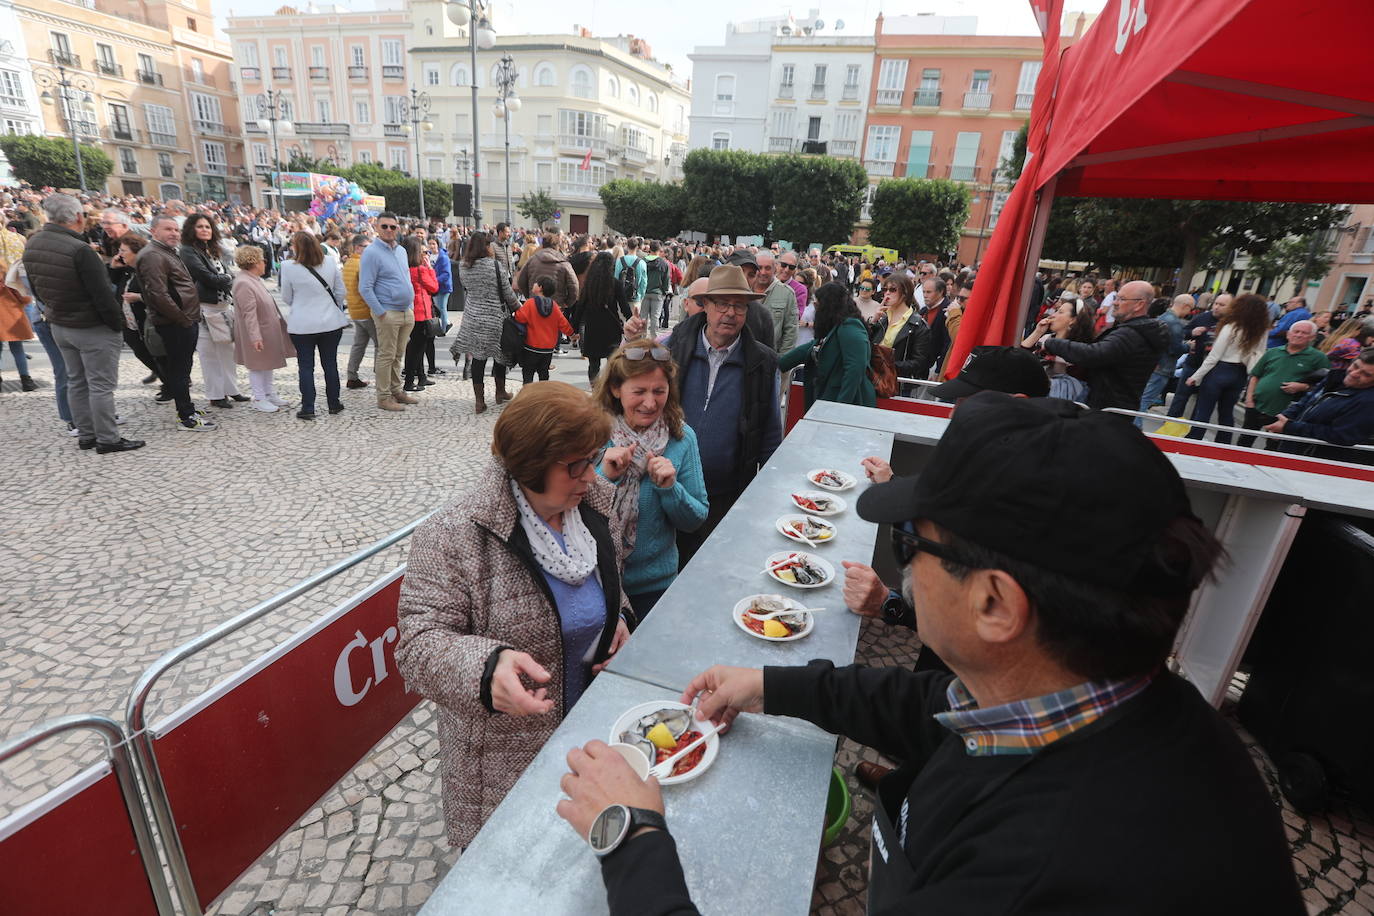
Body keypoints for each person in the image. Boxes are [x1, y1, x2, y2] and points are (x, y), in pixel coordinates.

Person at [556, 394, 1304, 915]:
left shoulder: (1046, 873)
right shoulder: (1098, 697)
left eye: (915, 542)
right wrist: (768, 684)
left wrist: (631, 833)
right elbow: (928, 704)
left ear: (996, 605)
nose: (902, 562)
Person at [395, 381, 632, 850]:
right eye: (576, 465)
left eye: (592, 458)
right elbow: (417, 645)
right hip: (506, 758)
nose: (590, 475)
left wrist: (619, 619)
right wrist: (486, 668)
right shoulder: (453, 535)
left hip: (592, 730)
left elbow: (611, 584)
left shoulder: (593, 507)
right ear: (530, 464)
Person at [664, 265, 782, 565]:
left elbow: (770, 434)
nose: (730, 313)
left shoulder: (763, 362)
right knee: (668, 567)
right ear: (705, 306)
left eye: (739, 306)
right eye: (722, 304)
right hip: (670, 488)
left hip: (725, 494)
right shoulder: (673, 348)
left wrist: (767, 494)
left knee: (710, 567)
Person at [592, 340, 708, 620]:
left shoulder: (681, 438)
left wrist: (670, 489)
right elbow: (566, 513)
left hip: (655, 588)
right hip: (594, 583)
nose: (650, 402)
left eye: (659, 391)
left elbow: (695, 519)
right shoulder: (593, 434)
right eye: (639, 391)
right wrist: (604, 478)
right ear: (616, 389)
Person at [22, 194, 143, 453]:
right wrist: (116, 324)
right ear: (78, 217)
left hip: (60, 323)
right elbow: (102, 294)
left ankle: (86, 435)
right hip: (90, 326)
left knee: (77, 381)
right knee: (100, 386)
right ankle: (108, 438)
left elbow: (36, 288)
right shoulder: (79, 249)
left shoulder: (34, 243)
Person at [1039, 279, 1168, 411]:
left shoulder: (1131, 334)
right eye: (1116, 298)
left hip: (1108, 410)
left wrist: (1051, 343)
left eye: (1121, 299)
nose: (1114, 303)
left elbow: (1094, 354)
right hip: (1111, 407)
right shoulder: (1134, 331)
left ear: (1139, 305)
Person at [137, 216, 216, 431]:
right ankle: (186, 416)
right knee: (179, 370)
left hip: (182, 319)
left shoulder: (166, 252)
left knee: (182, 369)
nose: (174, 233)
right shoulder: (153, 255)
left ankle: (187, 407)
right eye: (167, 229)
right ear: (153, 231)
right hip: (175, 322)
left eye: (176, 229)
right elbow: (158, 294)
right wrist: (182, 318)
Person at [279, 230, 348, 420]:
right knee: (330, 364)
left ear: (296, 247)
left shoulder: (287, 266)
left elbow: (286, 297)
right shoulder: (330, 263)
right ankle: (334, 403)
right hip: (330, 322)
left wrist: (301, 304)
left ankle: (308, 407)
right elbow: (340, 292)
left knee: (306, 367)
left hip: (302, 324)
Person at [178, 213, 245, 409]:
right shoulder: (188, 251)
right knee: (209, 354)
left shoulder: (212, 249)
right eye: (200, 226)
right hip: (204, 309)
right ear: (191, 229)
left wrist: (225, 279)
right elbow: (206, 277)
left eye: (207, 226)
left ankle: (232, 389)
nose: (204, 230)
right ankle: (216, 395)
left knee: (227, 351)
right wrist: (226, 279)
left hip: (223, 306)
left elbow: (226, 274)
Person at [1185, 292, 1270, 443]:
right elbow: (1260, 354)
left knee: (1203, 411)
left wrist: (1196, 376)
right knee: (1226, 413)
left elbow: (1214, 356)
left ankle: (1193, 441)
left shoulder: (1230, 327)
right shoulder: (1261, 332)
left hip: (1219, 371)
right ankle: (1223, 445)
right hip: (1240, 374)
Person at [1264, 347, 1374, 462]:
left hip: (1314, 462)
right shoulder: (1334, 377)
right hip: (1292, 449)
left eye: (1366, 374)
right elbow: (1306, 401)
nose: (1354, 373)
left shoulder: (1368, 402)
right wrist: (1282, 419)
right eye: (1355, 366)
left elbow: (1342, 436)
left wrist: (1289, 427)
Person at [777, 282, 875, 410]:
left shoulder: (850, 326)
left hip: (849, 403)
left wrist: (841, 406)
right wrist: (776, 363)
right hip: (831, 399)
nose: (815, 307)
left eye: (817, 304)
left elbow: (855, 368)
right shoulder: (835, 326)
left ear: (829, 305)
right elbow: (810, 347)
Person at [451, 231, 520, 413]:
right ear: (486, 247)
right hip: (495, 318)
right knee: (500, 356)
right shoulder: (495, 266)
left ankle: (479, 401)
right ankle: (500, 392)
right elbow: (508, 295)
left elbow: (467, 288)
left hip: (472, 318)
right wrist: (521, 310)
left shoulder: (463, 266)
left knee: (478, 358)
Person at [1237, 320, 1328, 448]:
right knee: (1244, 441)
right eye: (1296, 331)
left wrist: (1303, 387)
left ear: (1312, 337)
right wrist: (1249, 401)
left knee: (1274, 446)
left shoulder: (1319, 358)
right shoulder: (1272, 352)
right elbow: (1255, 376)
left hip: (1285, 412)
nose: (1299, 335)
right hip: (1257, 405)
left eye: (1304, 333)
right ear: (1288, 334)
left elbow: (1324, 386)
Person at [359, 212, 416, 413]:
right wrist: (380, 312)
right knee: (386, 355)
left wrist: (410, 306)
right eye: (385, 226)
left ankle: (396, 390)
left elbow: (406, 278)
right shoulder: (372, 253)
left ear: (398, 228)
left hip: (405, 311)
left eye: (393, 227)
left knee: (398, 355)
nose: (389, 230)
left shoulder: (401, 251)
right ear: (376, 227)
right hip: (388, 312)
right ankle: (383, 397)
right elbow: (365, 287)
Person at [230, 244, 293, 413]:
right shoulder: (244, 282)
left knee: (267, 363)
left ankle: (269, 393)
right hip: (257, 331)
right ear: (254, 262)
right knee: (257, 365)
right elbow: (249, 313)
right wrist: (255, 336)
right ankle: (259, 398)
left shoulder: (253, 279)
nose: (265, 262)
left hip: (265, 330)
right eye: (262, 260)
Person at [1167, 292, 1231, 421]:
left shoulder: (1231, 323)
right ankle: (1170, 423)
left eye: (1222, 305)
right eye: (1216, 303)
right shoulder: (1203, 317)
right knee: (1181, 396)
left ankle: (1193, 428)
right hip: (1193, 364)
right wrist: (1192, 332)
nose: (1217, 307)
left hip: (1213, 369)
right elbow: (1184, 333)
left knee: (1203, 402)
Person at [573, 251, 633, 384]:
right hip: (611, 328)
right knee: (613, 362)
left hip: (592, 328)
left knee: (594, 364)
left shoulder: (589, 284)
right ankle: (611, 388)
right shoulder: (615, 284)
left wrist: (574, 328)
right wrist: (632, 320)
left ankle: (595, 389)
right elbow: (624, 307)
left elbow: (580, 307)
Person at [869, 273, 933, 391]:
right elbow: (865, 343)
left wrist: (886, 365)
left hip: (898, 385)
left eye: (892, 290)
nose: (887, 293)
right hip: (872, 379)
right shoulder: (882, 318)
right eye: (885, 289)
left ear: (905, 293)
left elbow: (919, 363)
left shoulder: (918, 325)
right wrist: (873, 321)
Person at [1137, 293, 1192, 421]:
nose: (1190, 312)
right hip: (1163, 367)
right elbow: (1175, 349)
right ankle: (1134, 426)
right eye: (1190, 309)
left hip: (1153, 363)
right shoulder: (1175, 324)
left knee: (1143, 398)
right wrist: (1188, 346)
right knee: (1146, 400)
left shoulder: (1162, 318)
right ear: (1185, 306)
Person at [513, 276, 575, 383]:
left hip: (531, 347)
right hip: (548, 349)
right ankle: (543, 391)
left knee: (528, 373)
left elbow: (519, 318)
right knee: (544, 373)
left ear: (540, 288)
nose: (533, 284)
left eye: (536, 283)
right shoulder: (554, 306)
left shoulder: (530, 303)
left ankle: (528, 392)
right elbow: (563, 323)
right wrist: (572, 334)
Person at [402, 236, 439, 394]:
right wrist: (430, 268)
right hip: (422, 313)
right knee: (418, 348)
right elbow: (434, 287)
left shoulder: (404, 269)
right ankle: (410, 381)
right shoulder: (420, 270)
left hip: (411, 311)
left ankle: (421, 377)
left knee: (415, 346)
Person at [341, 234, 376, 390]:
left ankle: (352, 376)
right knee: (381, 345)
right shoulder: (361, 264)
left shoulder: (349, 262)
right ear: (357, 247)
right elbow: (366, 289)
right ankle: (381, 378)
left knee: (359, 345)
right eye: (366, 246)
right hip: (365, 310)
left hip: (355, 310)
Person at [748, 251, 797, 354]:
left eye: (768, 268)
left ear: (775, 269)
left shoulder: (787, 293)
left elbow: (791, 331)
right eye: (759, 268)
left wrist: (782, 359)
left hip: (771, 356)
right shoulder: (745, 290)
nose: (763, 272)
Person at [0, 254, 35, 391]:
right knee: (17, 349)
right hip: (12, 316)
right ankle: (26, 380)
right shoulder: (7, 278)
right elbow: (23, 297)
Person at [428, 237, 452, 377]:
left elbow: (446, 274)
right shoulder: (429, 256)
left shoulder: (443, 257)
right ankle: (441, 327)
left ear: (437, 244)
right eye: (430, 243)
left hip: (442, 287)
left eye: (433, 243)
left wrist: (433, 280)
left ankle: (442, 330)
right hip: (435, 286)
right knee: (438, 308)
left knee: (441, 308)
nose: (431, 246)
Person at [641, 241, 672, 331]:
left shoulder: (643, 261)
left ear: (649, 249)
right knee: (655, 317)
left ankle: (642, 336)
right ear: (659, 249)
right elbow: (666, 280)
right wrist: (664, 291)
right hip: (658, 292)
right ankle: (653, 337)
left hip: (645, 292)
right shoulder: (664, 263)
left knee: (643, 317)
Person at [612, 237, 646, 317]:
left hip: (621, 296)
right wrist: (641, 296)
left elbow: (616, 278)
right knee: (634, 321)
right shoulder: (641, 263)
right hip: (635, 297)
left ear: (627, 246)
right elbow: (644, 282)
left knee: (622, 320)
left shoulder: (619, 261)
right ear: (637, 247)